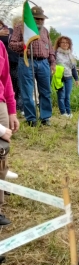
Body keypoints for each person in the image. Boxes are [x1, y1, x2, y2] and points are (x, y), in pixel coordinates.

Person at [9, 6, 55, 126]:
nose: (39, 21)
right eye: (36, 19)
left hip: (44, 62)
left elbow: (50, 48)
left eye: (41, 19)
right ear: (30, 18)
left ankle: (45, 117)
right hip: (26, 61)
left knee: (46, 91)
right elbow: (12, 44)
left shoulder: (45, 30)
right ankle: (31, 118)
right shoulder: (21, 28)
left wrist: (52, 62)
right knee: (27, 91)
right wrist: (24, 43)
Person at [0, 39, 19, 233]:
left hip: (1, 103)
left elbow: (6, 80)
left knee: (1, 155)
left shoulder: (0, 46)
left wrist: (12, 111)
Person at [53, 36, 79, 118]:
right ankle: (63, 112)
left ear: (69, 44)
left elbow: (73, 68)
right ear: (59, 44)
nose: (65, 44)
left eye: (67, 42)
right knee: (61, 96)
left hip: (69, 77)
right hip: (59, 77)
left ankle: (68, 111)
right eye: (63, 42)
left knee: (67, 96)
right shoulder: (55, 53)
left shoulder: (70, 55)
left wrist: (76, 78)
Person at [0, 20, 21, 113]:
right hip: (7, 61)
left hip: (13, 60)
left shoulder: (10, 31)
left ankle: (17, 106)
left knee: (15, 83)